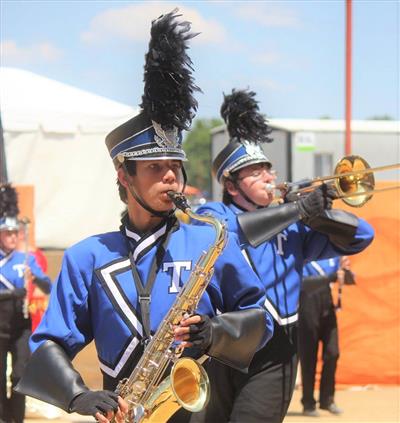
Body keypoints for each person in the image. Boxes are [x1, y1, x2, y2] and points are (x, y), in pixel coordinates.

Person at [15, 12, 274, 423]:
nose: (171, 175)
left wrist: (217, 332)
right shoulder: (87, 256)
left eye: (175, 164)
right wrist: (76, 395)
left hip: (198, 408)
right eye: (156, 167)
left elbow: (261, 317)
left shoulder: (208, 240)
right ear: (124, 176)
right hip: (122, 411)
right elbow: (49, 341)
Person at [189, 89, 374, 423]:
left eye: (268, 170)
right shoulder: (214, 214)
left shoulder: (293, 226)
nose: (268, 177)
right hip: (220, 343)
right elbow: (229, 233)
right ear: (232, 186)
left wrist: (319, 215)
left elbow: (363, 236)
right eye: (256, 172)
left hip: (276, 352)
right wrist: (295, 211)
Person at [0, 184, 52, 423]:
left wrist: (38, 278)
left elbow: (48, 286)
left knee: (20, 375)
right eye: (7, 233)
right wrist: (11, 294)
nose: (12, 237)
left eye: (15, 233)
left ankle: (16, 419)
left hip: (21, 324)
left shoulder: (26, 259)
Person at [298, 256, 354, 417]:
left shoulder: (334, 254)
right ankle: (308, 402)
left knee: (333, 353)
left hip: (327, 303)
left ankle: (327, 400)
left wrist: (345, 272)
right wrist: (332, 276)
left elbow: (347, 280)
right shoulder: (305, 252)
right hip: (308, 301)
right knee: (309, 356)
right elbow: (303, 283)